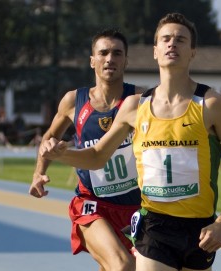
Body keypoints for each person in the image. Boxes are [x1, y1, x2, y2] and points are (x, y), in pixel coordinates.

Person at [40, 13, 221, 271]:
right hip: (154, 225)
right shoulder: (134, 106)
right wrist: (61, 153)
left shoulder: (211, 104)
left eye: (180, 40)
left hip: (199, 229)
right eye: (165, 39)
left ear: (192, 51)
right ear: (155, 51)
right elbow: (97, 156)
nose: (172, 44)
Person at [29, 29, 144, 271]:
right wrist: (39, 173)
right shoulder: (73, 101)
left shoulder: (140, 101)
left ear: (126, 60)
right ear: (92, 60)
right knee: (123, 266)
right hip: (92, 204)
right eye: (103, 53)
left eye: (117, 53)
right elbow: (50, 136)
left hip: (135, 207)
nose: (109, 59)